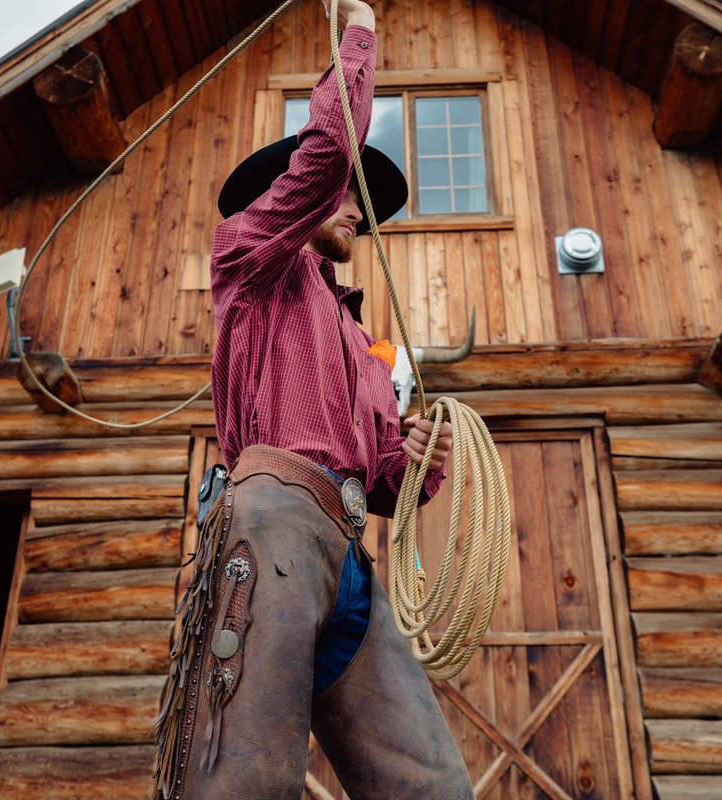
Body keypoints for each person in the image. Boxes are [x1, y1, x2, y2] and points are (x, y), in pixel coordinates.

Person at [152, 1, 474, 797]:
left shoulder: (361, 340)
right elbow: (328, 154)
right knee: (244, 777)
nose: (360, 212)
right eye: (349, 193)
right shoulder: (252, 258)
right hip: (273, 527)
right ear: (293, 195)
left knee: (432, 786)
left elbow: (388, 484)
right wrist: (358, 27)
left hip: (346, 555)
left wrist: (420, 459)